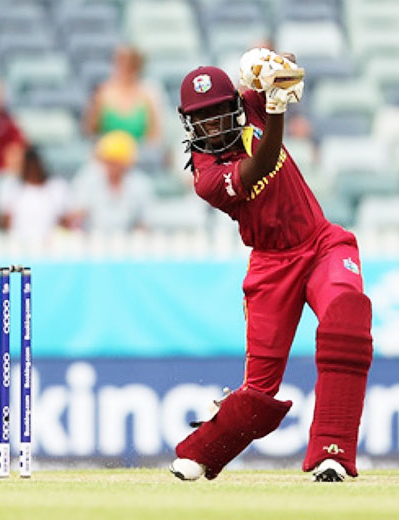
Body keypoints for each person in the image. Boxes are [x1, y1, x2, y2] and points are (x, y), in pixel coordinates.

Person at [169, 49, 372, 483]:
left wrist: (271, 66)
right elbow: (264, 159)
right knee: (259, 394)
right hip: (271, 267)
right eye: (201, 119)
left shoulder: (254, 106)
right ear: (189, 123)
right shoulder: (207, 176)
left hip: (321, 244)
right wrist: (276, 110)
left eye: (219, 113)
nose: (212, 126)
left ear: (235, 107)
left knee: (347, 317)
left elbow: (288, 70)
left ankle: (331, 453)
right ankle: (200, 451)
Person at [66, 130, 155, 232]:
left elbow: (145, 222)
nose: (109, 167)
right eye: (106, 161)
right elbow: (74, 214)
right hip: (92, 241)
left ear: (127, 164)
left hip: (126, 242)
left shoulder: (140, 185)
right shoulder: (88, 178)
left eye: (115, 163)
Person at [82, 45, 162, 146]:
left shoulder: (148, 96)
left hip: (139, 156)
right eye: (121, 63)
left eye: (131, 65)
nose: (125, 69)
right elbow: (90, 131)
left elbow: (154, 137)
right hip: (106, 154)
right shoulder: (102, 93)